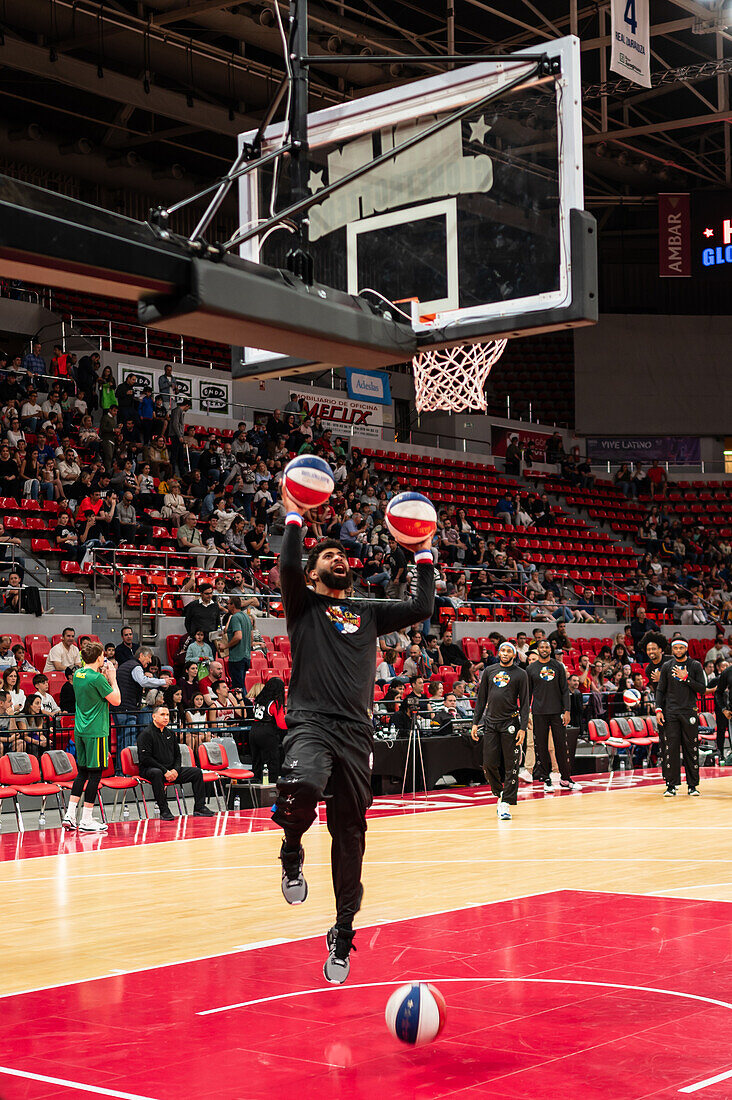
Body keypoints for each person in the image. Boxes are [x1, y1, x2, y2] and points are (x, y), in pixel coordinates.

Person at [273, 493, 434, 985]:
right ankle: (291, 850)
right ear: (312, 573)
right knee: (301, 787)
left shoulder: (368, 612)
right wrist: (296, 516)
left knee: (350, 836)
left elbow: (424, 604)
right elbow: (286, 565)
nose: (339, 558)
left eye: (342, 554)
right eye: (328, 556)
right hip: (311, 722)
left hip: (356, 733)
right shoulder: (302, 604)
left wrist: (423, 551)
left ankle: (342, 930)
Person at [62, 641, 121, 832]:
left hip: (80, 729)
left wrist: (102, 675)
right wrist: (113, 678)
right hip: (96, 731)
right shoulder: (98, 679)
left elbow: (93, 689)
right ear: (98, 657)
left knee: (82, 772)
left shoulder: (78, 674)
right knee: (95, 774)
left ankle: (70, 815)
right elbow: (117, 700)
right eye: (103, 655)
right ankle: (86, 819)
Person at [470, 641, 528, 820]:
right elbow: (481, 699)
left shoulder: (521, 674)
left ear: (513, 654)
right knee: (488, 764)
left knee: (512, 766)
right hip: (490, 724)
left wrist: (523, 728)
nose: (504, 653)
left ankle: (506, 804)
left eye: (508, 651)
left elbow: (525, 703)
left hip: (510, 724)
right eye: (502, 650)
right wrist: (475, 722)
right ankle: (500, 793)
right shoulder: (489, 671)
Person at [136, 704, 215, 820]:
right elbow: (145, 758)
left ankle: (200, 807)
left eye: (167, 715)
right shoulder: (146, 734)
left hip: (171, 770)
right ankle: (164, 810)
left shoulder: (171, 734)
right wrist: (165, 771)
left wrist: (175, 770)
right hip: (151, 769)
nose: (166, 717)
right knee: (157, 773)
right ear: (154, 717)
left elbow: (178, 756)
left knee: (197, 772)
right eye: (162, 715)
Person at [526, 639, 579, 792]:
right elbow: (527, 693)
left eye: (546, 647)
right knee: (541, 747)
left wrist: (567, 710)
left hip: (557, 712)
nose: (544, 649)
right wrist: (526, 714)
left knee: (561, 746)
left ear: (550, 649)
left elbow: (564, 690)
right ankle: (546, 780)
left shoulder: (558, 666)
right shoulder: (531, 669)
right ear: (538, 649)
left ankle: (566, 778)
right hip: (538, 712)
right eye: (541, 647)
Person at [655, 637, 706, 798]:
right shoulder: (666, 666)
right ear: (672, 649)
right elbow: (660, 690)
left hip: (689, 711)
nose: (678, 651)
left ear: (686, 648)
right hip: (671, 713)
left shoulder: (695, 665)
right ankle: (671, 785)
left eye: (681, 648)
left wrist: (686, 678)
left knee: (691, 749)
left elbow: (702, 689)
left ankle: (692, 786)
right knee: (671, 749)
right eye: (675, 648)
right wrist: (658, 709)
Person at [115, 648, 171, 759]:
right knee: (128, 743)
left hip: (120, 708)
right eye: (149, 657)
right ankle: (125, 773)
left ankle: (120, 771)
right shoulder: (136, 666)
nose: (150, 661)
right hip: (127, 709)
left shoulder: (126, 665)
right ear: (141, 655)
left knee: (122, 742)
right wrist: (162, 681)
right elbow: (143, 681)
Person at [249, 677, 287, 784]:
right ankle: (271, 787)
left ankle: (255, 787)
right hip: (267, 732)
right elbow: (281, 724)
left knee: (256, 761)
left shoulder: (258, 700)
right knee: (272, 761)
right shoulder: (274, 703)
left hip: (254, 730)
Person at [218, 595, 251, 693]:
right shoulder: (247, 617)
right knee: (242, 685)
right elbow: (251, 637)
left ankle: (244, 707)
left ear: (233, 605)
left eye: (228, 603)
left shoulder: (235, 617)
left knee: (238, 688)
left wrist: (225, 646)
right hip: (246, 656)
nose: (226, 605)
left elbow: (238, 636)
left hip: (237, 657)